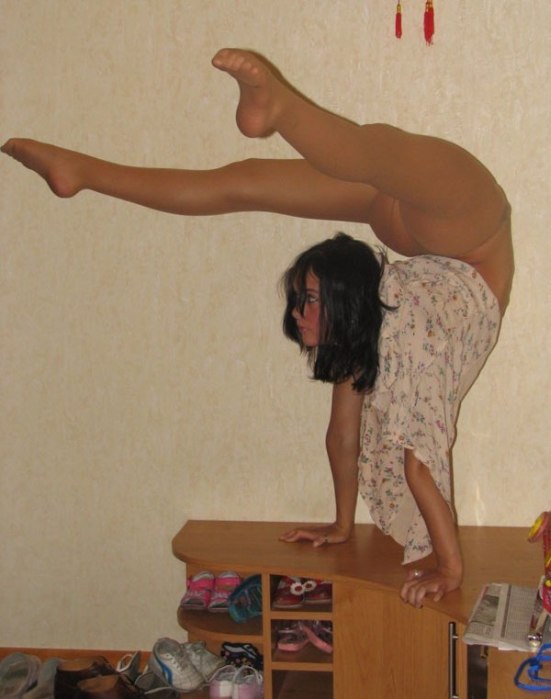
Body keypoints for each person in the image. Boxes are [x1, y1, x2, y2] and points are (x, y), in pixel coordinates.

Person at [2, 49, 513, 607]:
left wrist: (448, 567)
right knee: (285, 175)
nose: (297, 313)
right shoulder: (393, 333)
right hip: (472, 240)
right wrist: (347, 526)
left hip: (422, 231)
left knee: (352, 161)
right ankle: (86, 173)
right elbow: (361, 441)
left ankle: (272, 115)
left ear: (346, 299)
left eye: (309, 299)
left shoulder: (388, 334)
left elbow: (406, 454)